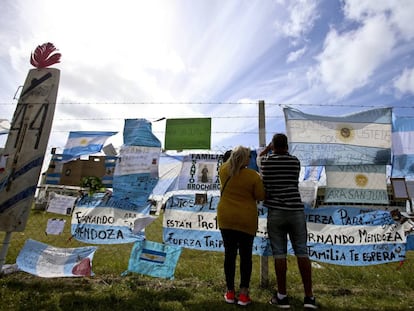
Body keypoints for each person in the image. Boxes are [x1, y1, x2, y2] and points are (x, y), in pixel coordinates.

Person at [258, 133, 317, 309]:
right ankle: (309, 297)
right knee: (302, 252)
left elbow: (259, 158)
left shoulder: (267, 162)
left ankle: (282, 296)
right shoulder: (295, 162)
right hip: (296, 211)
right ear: (287, 146)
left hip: (276, 211)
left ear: (273, 146)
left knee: (279, 254)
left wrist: (267, 149)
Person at [217, 145, 265, 306]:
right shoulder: (253, 176)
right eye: (249, 157)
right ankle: (244, 294)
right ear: (244, 159)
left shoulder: (223, 170)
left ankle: (230, 292)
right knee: (246, 257)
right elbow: (260, 195)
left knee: (229, 255)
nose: (251, 159)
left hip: (226, 217)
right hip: (246, 219)